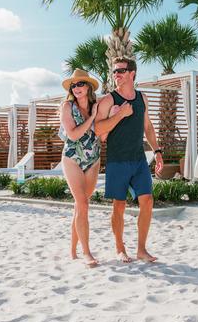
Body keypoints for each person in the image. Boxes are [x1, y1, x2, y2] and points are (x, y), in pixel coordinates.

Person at [95, 57, 163, 263]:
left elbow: (148, 127)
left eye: (121, 71)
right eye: (114, 71)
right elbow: (98, 130)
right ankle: (120, 248)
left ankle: (141, 249)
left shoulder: (142, 98)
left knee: (148, 201)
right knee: (119, 205)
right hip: (117, 160)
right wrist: (120, 114)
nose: (116, 74)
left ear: (132, 73)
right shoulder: (108, 100)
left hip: (139, 159)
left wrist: (157, 151)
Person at [59, 68, 102, 267]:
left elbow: (103, 132)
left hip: (93, 158)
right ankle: (86, 253)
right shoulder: (67, 107)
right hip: (72, 158)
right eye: (73, 85)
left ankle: (72, 250)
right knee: (82, 204)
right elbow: (73, 135)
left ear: (88, 87)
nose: (76, 88)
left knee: (81, 205)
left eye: (80, 84)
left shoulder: (97, 105)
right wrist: (92, 118)